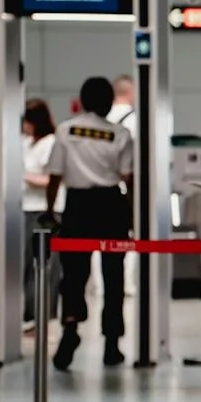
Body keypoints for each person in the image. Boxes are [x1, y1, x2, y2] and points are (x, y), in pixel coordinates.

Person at [45, 77, 134, 370]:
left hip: (78, 206)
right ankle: (112, 343)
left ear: (82, 101)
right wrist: (133, 215)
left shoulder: (65, 130)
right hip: (111, 205)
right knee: (113, 277)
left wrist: (51, 210)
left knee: (73, 274)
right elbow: (128, 178)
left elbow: (55, 175)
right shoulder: (120, 134)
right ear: (108, 103)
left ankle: (70, 328)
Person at [21, 98, 62, 324]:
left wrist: (24, 176)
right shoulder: (27, 143)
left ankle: (44, 313)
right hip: (26, 207)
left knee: (45, 263)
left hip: (44, 209)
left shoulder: (50, 143)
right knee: (28, 262)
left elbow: (51, 179)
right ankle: (29, 312)